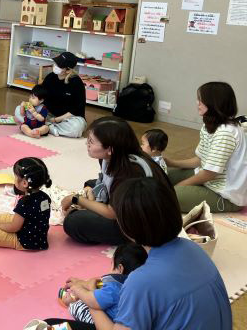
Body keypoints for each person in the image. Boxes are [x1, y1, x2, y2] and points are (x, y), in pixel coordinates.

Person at [44, 177, 232, 330]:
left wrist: (93, 299)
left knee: (49, 325)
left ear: (128, 227)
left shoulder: (141, 281)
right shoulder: (193, 249)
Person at [61, 116, 171, 245]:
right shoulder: (113, 155)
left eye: (91, 141)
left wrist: (76, 199)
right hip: (130, 204)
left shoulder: (129, 170)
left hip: (144, 226)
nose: (87, 144)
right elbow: (105, 181)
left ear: (110, 149)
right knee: (90, 183)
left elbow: (112, 213)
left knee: (73, 222)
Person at [165, 82, 247, 212]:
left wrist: (179, 186)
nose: (197, 103)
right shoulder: (209, 125)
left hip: (226, 196)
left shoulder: (226, 132)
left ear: (214, 103)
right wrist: (170, 162)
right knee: (162, 175)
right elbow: (200, 160)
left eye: (201, 100)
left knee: (168, 196)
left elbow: (209, 174)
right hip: (209, 181)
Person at [59, 243, 147, 324]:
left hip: (109, 322)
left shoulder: (113, 289)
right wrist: (84, 284)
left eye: (112, 264)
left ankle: (70, 302)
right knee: (97, 286)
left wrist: (77, 289)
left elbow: (92, 300)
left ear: (120, 268)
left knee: (81, 305)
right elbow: (101, 283)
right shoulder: (140, 285)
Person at [16, 52, 86, 138]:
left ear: (68, 70)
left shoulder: (76, 83)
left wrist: (56, 120)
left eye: (59, 65)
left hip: (67, 118)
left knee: (76, 128)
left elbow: (76, 110)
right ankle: (45, 127)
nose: (55, 66)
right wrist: (29, 105)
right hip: (47, 114)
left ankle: (47, 127)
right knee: (18, 109)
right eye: (55, 63)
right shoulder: (51, 77)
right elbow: (40, 95)